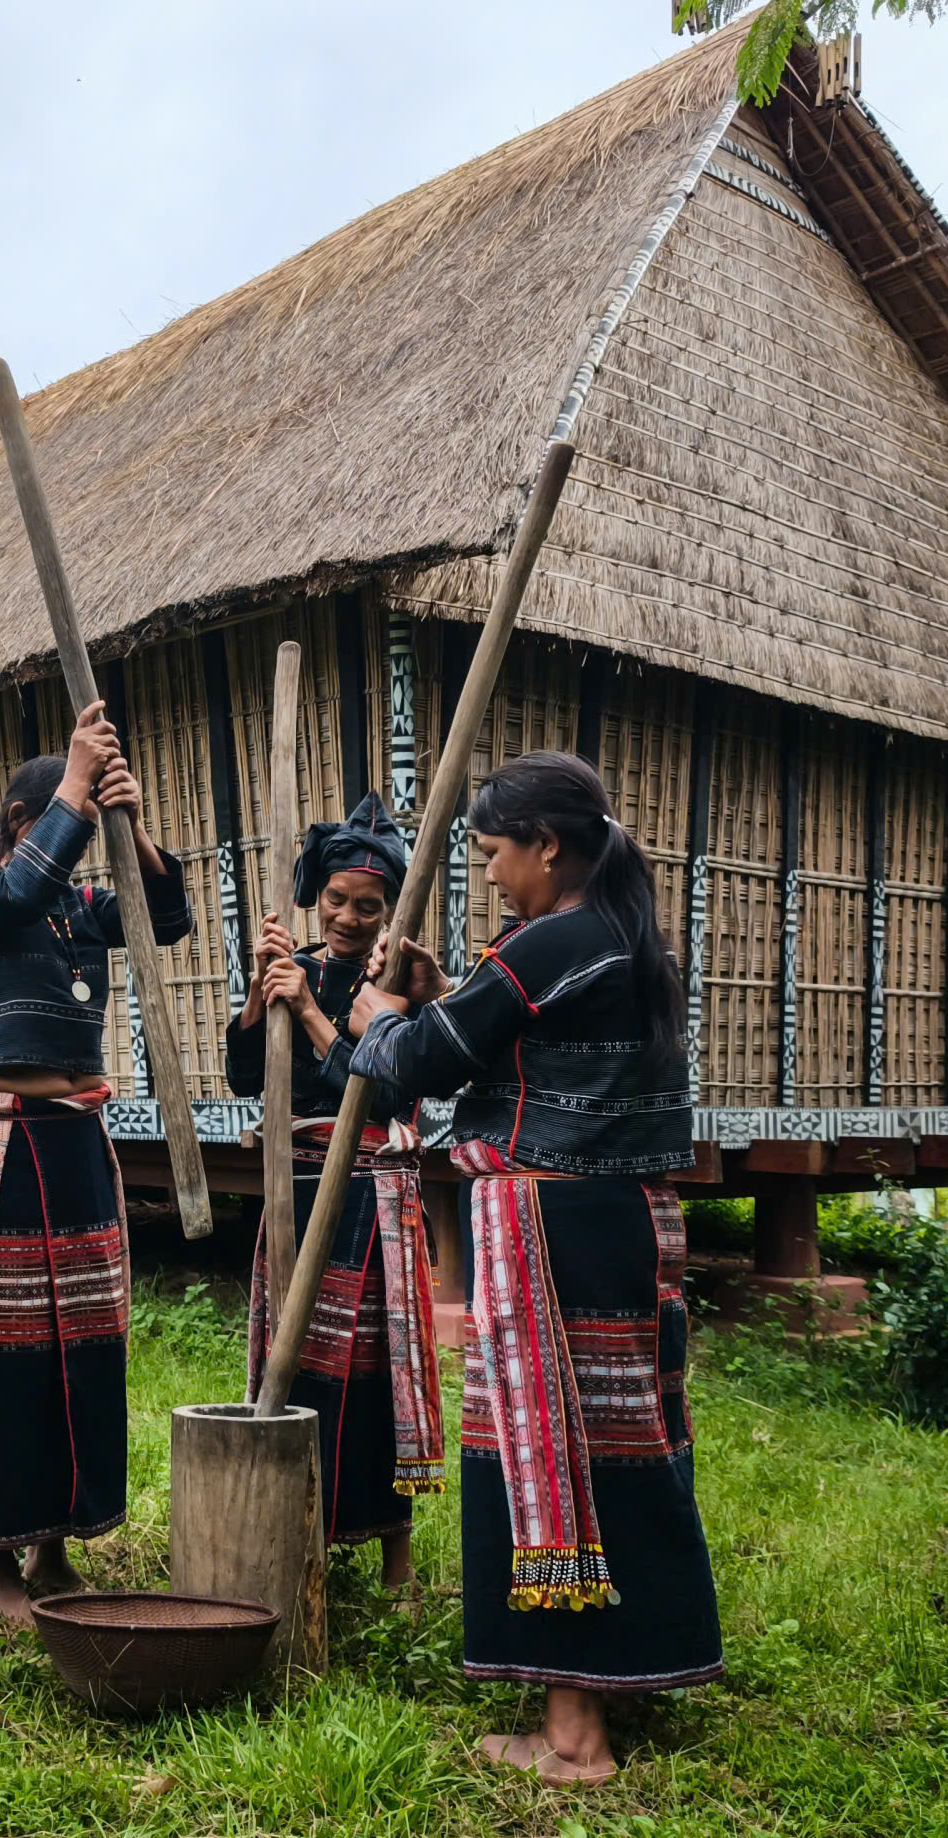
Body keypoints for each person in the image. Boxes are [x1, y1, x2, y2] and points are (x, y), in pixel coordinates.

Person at [346, 751, 721, 1786]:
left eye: (495, 849)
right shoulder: (624, 937)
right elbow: (503, 1037)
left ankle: (572, 1738)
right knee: (613, 1454)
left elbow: (423, 1060)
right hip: (621, 1222)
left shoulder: (551, 936)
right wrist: (436, 995)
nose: (491, 871)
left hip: (550, 1228)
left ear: (548, 846)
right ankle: (606, 1683)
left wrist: (375, 1022)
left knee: (541, 1458)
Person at [0, 701, 193, 1627]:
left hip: (72, 1138)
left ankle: (55, 1541)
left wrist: (133, 825)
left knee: (78, 1341)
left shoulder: (82, 908)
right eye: (64, 817)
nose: (74, 843)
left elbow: (167, 919)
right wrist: (77, 782)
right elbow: (22, 890)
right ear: (28, 824)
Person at [225, 791, 445, 1588]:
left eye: (368, 905)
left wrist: (313, 1012)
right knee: (301, 1365)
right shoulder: (299, 970)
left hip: (374, 1196)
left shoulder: (400, 987)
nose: (350, 917)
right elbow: (247, 1076)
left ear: (390, 911)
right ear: (317, 899)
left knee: (379, 1371)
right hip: (300, 1186)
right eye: (337, 901)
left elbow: (381, 1095)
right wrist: (262, 991)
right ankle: (299, 1530)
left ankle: (396, 1556)